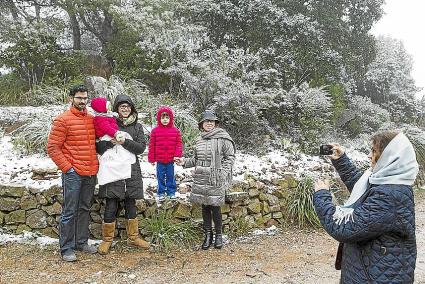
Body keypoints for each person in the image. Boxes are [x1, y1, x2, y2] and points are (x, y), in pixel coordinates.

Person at [313, 131, 419, 283]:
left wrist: (322, 196)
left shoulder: (389, 195)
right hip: (373, 272)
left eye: (374, 151)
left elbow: (343, 228)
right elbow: (362, 188)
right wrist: (341, 160)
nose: (369, 156)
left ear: (389, 157)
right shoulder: (390, 181)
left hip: (374, 277)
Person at [47, 84, 99, 262]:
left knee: (84, 208)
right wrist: (68, 168)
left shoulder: (92, 119)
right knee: (70, 210)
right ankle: (67, 248)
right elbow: (53, 148)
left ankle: (81, 242)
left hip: (90, 171)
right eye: (79, 98)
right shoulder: (63, 120)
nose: (83, 101)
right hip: (73, 173)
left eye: (85, 98)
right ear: (71, 99)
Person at [95, 94, 150, 255]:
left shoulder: (137, 127)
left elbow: (140, 148)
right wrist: (108, 143)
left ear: (132, 108)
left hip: (131, 170)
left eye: (127, 106)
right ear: (116, 109)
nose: (125, 109)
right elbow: (97, 147)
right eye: (121, 106)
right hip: (112, 169)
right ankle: (107, 240)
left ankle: (134, 237)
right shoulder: (109, 123)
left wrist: (124, 142)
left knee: (130, 203)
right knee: (111, 203)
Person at [175, 110, 235, 250]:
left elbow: (230, 157)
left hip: (215, 176)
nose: (209, 123)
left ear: (215, 123)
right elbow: (196, 160)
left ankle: (219, 235)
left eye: (212, 121)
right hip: (201, 175)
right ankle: (208, 235)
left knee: (215, 206)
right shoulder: (199, 139)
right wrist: (183, 161)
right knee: (205, 206)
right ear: (201, 124)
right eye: (206, 121)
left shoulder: (223, 138)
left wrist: (223, 172)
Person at [148, 106, 183, 201]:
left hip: (170, 160)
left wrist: (177, 155)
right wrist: (151, 158)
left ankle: (171, 191)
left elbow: (179, 144)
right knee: (160, 176)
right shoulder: (155, 131)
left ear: (171, 118)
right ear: (159, 119)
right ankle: (161, 192)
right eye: (162, 118)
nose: (165, 120)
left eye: (167, 117)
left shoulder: (175, 131)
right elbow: (152, 145)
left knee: (170, 176)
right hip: (160, 160)